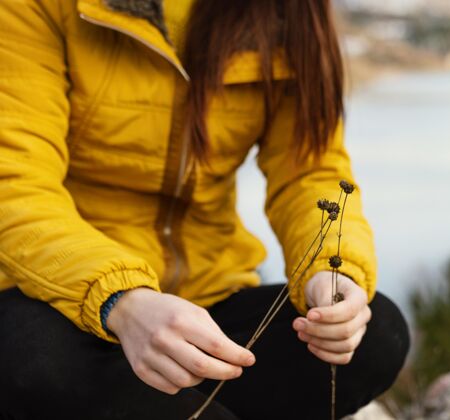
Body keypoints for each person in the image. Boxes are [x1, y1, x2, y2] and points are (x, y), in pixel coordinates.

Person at [0, 0, 409, 418]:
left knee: (375, 335)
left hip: (206, 300)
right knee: (34, 358)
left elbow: (310, 170)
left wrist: (331, 274)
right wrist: (120, 299)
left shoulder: (286, 11)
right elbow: (14, 184)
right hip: (60, 300)